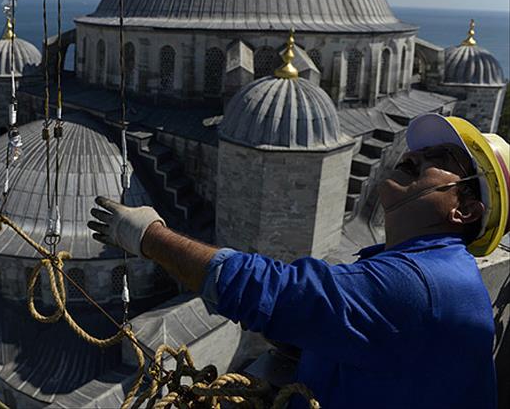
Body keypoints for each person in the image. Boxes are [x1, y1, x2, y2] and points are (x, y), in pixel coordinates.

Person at [88, 113, 509, 409]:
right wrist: (306, 336)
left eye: (444, 160)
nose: (418, 155)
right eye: (426, 148)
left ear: (466, 211)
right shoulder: (432, 271)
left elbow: (271, 291)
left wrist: (148, 236)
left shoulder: (422, 284)